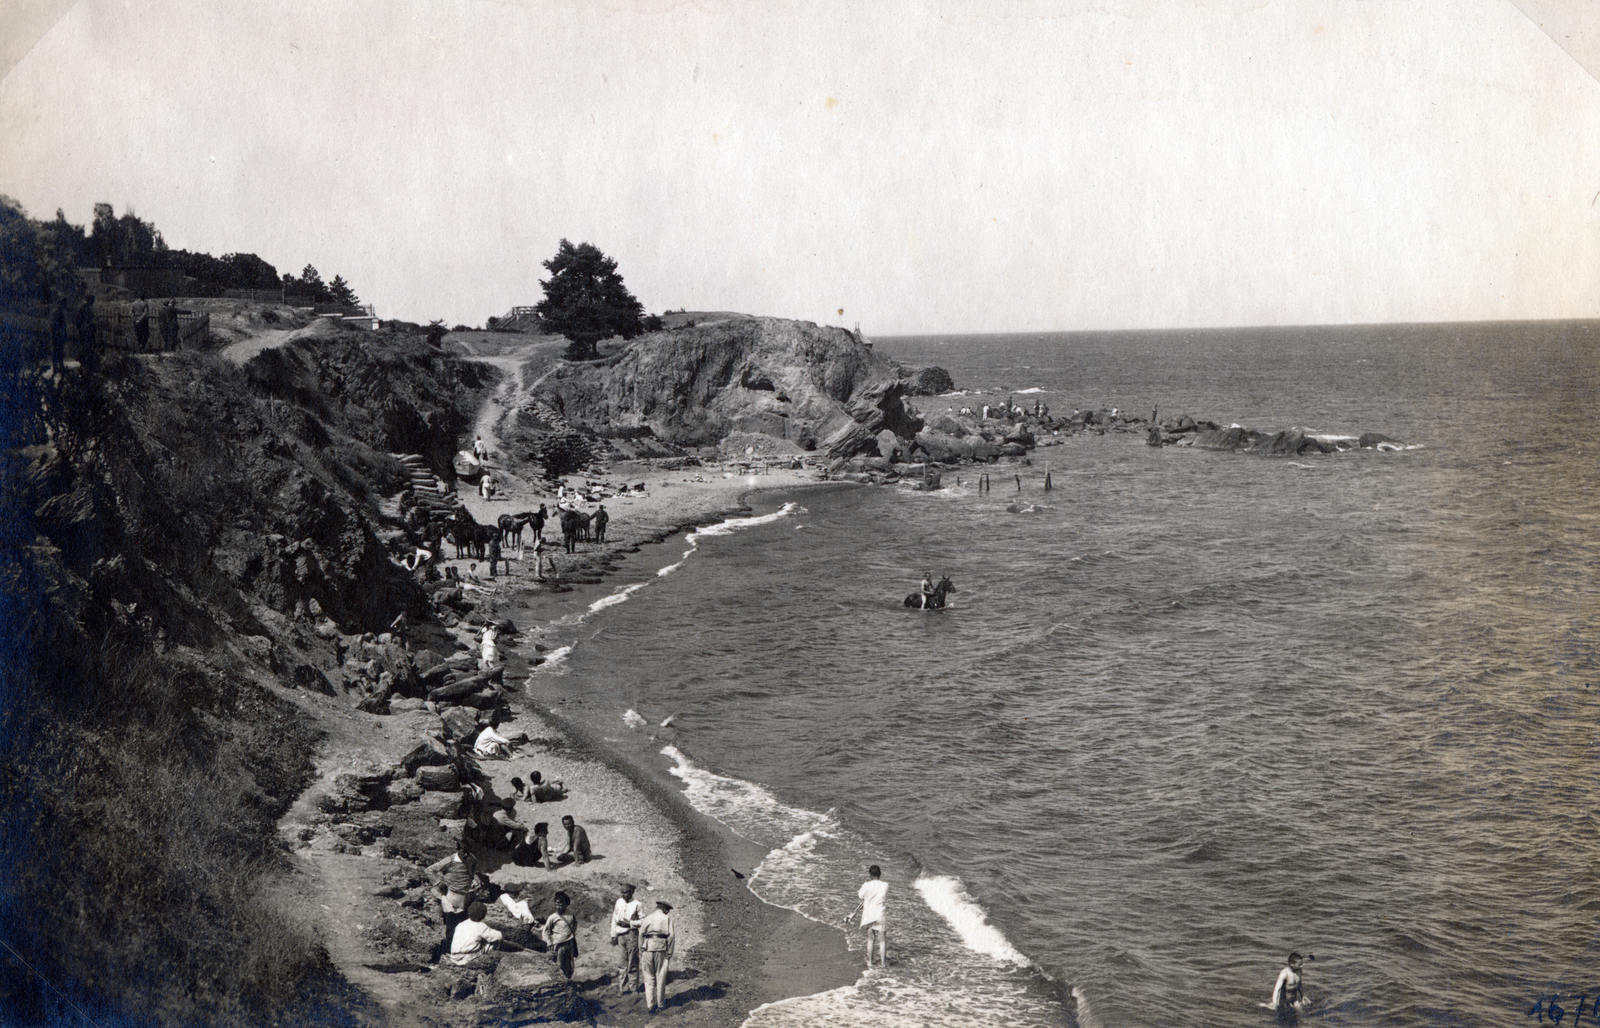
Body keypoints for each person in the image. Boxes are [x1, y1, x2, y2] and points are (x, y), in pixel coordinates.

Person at [426, 847, 482, 959]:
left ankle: (462, 952)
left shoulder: (471, 859)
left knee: (464, 927)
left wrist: (474, 879)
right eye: (463, 852)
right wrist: (438, 883)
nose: (465, 855)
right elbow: (429, 870)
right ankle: (449, 952)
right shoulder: (449, 861)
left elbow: (473, 870)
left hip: (466, 899)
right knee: (451, 927)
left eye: (467, 852)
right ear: (458, 850)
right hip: (451, 897)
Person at [845, 865, 888, 967]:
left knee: (871, 939)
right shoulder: (885, 885)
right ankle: (882, 963)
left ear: (870, 875)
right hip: (880, 914)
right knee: (882, 941)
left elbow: (860, 896)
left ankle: (870, 962)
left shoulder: (866, 885)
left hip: (869, 914)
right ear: (880, 874)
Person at [637, 898, 675, 1013]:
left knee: (648, 978)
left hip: (647, 948)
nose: (667, 912)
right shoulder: (667, 918)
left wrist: (641, 950)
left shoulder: (647, 918)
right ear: (664, 908)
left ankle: (650, 1005)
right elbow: (671, 936)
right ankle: (660, 1004)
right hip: (661, 948)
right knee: (661, 977)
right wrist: (670, 952)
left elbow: (641, 934)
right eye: (667, 909)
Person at [610, 883, 643, 995]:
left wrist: (630, 923)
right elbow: (614, 918)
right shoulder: (619, 902)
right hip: (620, 936)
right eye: (622, 892)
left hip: (631, 935)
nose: (623, 894)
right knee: (622, 962)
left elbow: (643, 921)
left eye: (626, 892)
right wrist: (613, 935)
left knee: (632, 961)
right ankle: (623, 988)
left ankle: (633, 988)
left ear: (632, 892)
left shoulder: (637, 904)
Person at [448, 901, 504, 966]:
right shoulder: (480, 926)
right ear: (483, 915)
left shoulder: (460, 924)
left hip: (454, 957)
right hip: (468, 957)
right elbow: (498, 936)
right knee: (492, 942)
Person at [542, 891, 578, 979]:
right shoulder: (552, 917)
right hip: (558, 945)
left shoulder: (570, 915)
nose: (559, 906)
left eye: (561, 903)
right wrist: (549, 943)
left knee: (570, 966)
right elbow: (545, 932)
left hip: (569, 944)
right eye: (557, 903)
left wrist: (571, 935)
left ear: (566, 904)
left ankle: (569, 981)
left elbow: (575, 923)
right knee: (559, 966)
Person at [1268, 952, 1309, 1022]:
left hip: (1294, 999)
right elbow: (1276, 989)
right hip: (1284, 1000)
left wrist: (1302, 997)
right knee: (1283, 1017)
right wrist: (1274, 1003)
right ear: (1291, 964)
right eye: (1299, 965)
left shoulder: (1299, 971)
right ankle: (1266, 1005)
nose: (1301, 966)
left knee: (1300, 1014)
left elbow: (1299, 985)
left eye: (1302, 964)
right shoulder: (1284, 974)